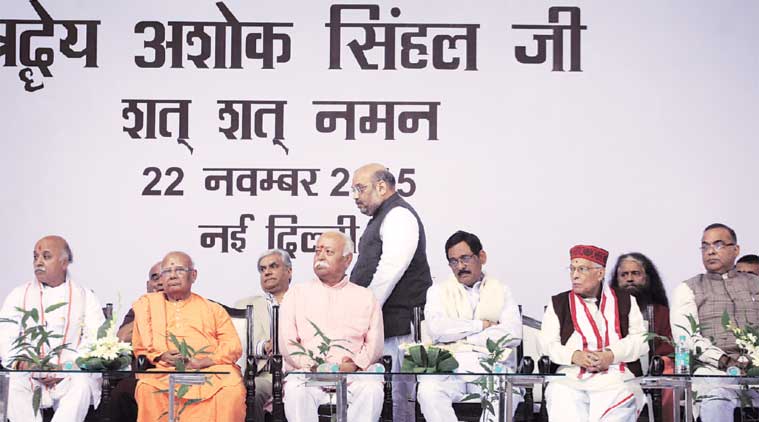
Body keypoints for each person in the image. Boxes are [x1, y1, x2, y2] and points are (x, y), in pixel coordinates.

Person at [350, 163, 433, 421]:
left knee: (399, 398)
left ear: (382, 187)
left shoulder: (399, 215)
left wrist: (363, 313)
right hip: (382, 323)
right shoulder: (382, 216)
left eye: (360, 189)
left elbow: (389, 271)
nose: (355, 196)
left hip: (399, 327)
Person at [417, 230, 523, 421]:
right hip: (449, 367)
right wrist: (482, 326)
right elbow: (437, 329)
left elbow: (513, 334)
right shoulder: (438, 291)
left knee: (506, 391)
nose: (460, 266)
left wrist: (463, 338)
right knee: (428, 390)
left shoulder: (501, 290)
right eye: (453, 261)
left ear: (481, 256)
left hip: (489, 366)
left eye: (465, 258)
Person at [279, 231, 384, 422]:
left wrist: (354, 365)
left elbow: (374, 344)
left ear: (347, 259)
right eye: (317, 250)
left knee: (372, 389)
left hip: (353, 376)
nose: (320, 256)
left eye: (328, 251)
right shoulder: (296, 294)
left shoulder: (366, 296)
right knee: (296, 391)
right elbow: (287, 343)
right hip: (309, 374)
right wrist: (311, 365)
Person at [0, 235, 105, 422]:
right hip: (28, 372)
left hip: (69, 371)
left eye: (46, 256)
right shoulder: (18, 295)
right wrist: (24, 363)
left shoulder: (86, 296)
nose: (38, 262)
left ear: (64, 263)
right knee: (14, 383)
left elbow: (96, 339)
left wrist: (64, 367)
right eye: (35, 257)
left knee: (81, 385)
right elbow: (5, 336)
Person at [132, 251, 245, 422]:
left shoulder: (213, 309)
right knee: (147, 387)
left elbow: (233, 346)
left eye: (179, 270)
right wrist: (161, 355)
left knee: (232, 388)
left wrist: (203, 362)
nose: (172, 276)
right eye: (167, 272)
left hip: (210, 370)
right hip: (166, 371)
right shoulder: (148, 307)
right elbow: (140, 347)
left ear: (193, 275)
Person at [539, 245, 648, 422]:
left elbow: (641, 340)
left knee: (623, 392)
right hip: (571, 375)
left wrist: (611, 355)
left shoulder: (626, 301)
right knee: (560, 393)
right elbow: (546, 344)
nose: (574, 275)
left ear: (600, 273)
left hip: (614, 374)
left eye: (582, 269)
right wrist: (575, 355)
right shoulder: (558, 303)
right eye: (572, 269)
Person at [671, 223, 759, 421]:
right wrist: (724, 360)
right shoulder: (688, 288)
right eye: (705, 246)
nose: (710, 251)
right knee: (716, 395)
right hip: (713, 370)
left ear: (736, 250)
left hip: (756, 367)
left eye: (718, 245)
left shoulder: (754, 284)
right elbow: (686, 338)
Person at [609, 252, 674, 422]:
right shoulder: (606, 312)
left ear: (647, 278)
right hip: (615, 371)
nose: (629, 279)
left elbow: (668, 350)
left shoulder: (661, 313)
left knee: (670, 371)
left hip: (653, 374)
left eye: (635, 273)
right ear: (616, 280)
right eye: (624, 275)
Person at [234, 248, 293, 421]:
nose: (266, 272)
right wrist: (263, 346)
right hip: (265, 374)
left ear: (289, 271)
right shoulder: (244, 305)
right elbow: (237, 344)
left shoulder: (305, 300)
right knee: (250, 390)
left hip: (299, 372)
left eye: (273, 266)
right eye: (262, 269)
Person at [105, 261, 163, 422]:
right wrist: (152, 309)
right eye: (154, 277)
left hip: (176, 372)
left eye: (164, 276)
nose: (159, 282)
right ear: (148, 285)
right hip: (144, 372)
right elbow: (122, 339)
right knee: (121, 392)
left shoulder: (185, 307)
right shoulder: (139, 309)